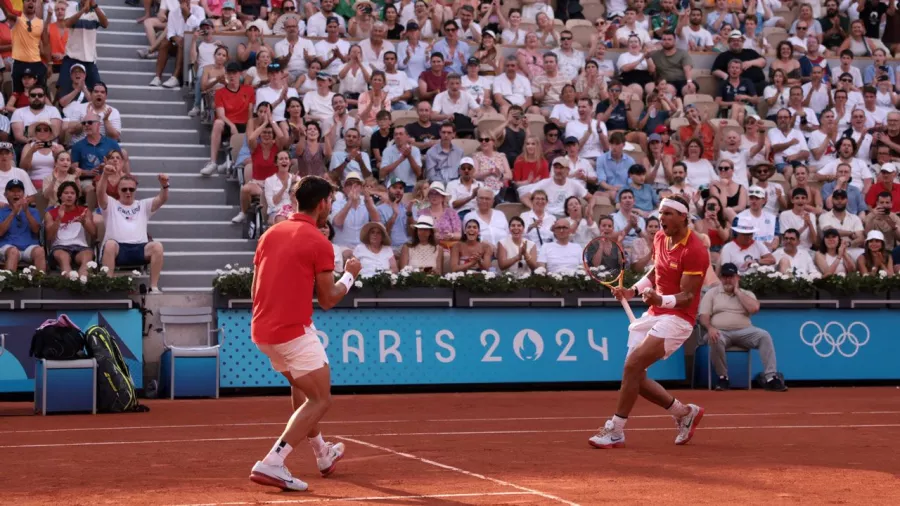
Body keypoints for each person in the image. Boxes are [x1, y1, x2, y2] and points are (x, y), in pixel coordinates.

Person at [249, 175, 360, 492]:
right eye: (332, 201)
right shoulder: (319, 242)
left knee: (302, 391)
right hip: (291, 331)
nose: (331, 206)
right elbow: (327, 299)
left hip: (262, 331)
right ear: (322, 203)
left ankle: (323, 454)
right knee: (320, 398)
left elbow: (256, 285)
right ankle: (272, 461)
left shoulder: (271, 233)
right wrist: (350, 276)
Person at [589, 196, 710, 449]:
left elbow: (687, 297)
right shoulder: (659, 238)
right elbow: (656, 272)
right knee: (635, 376)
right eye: (661, 213)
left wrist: (660, 298)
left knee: (632, 366)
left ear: (682, 217)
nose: (661, 218)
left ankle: (616, 429)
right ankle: (683, 412)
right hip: (656, 313)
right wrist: (633, 290)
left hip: (678, 319)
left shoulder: (695, 250)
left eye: (667, 214)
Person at [698, 262, 787, 392]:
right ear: (721, 278)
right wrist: (710, 328)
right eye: (725, 277)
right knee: (715, 337)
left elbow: (755, 308)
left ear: (737, 278)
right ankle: (723, 378)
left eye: (731, 277)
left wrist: (737, 292)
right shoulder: (712, 293)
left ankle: (771, 377)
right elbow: (703, 316)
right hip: (720, 332)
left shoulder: (746, 294)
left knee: (764, 336)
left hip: (745, 331)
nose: (728, 280)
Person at [97, 168, 167, 293]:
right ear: (118, 190)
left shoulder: (143, 205)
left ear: (135, 190)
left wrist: (164, 185)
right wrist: (105, 175)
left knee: (157, 246)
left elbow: (161, 199)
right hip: (118, 249)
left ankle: (154, 287)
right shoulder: (111, 204)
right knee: (110, 245)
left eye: (131, 189)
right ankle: (107, 285)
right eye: (124, 189)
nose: (128, 192)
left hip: (139, 248)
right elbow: (100, 193)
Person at [0, 179, 46, 272]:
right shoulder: (1, 212)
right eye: (12, 191)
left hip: (29, 247)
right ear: (6, 194)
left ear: (23, 194)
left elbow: (36, 230)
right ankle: (8, 282)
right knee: (13, 252)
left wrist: (26, 211)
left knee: (40, 251)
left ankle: (40, 282)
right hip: (8, 246)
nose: (16, 194)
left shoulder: (33, 211)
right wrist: (13, 212)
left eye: (19, 191)